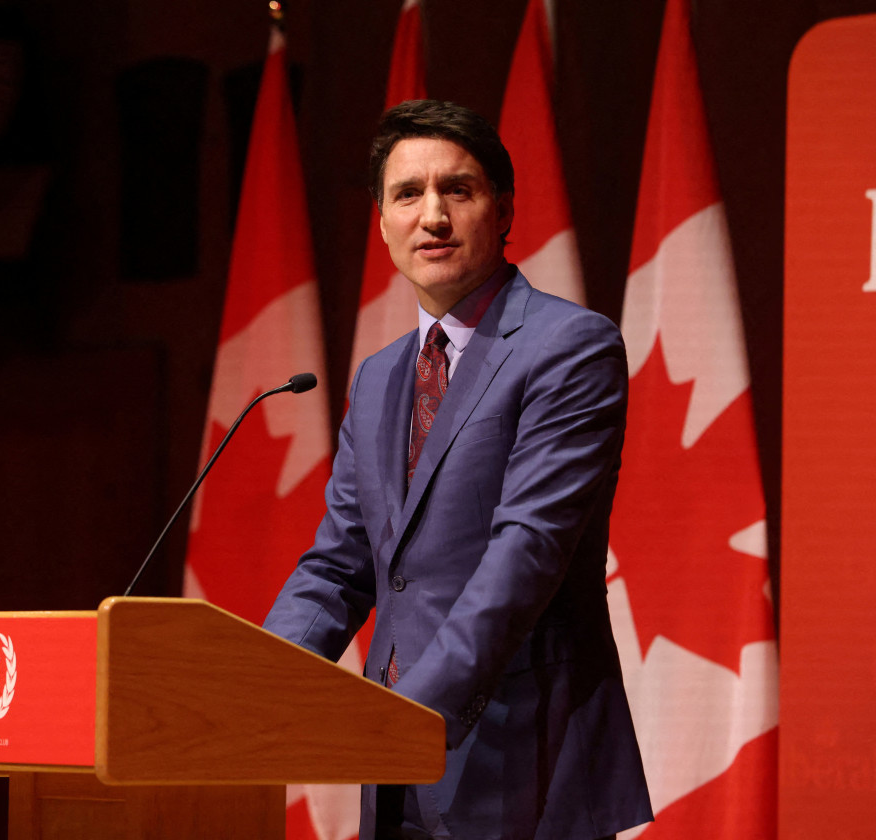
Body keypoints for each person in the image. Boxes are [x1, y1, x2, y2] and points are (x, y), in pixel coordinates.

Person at [263, 99, 652, 840]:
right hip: (396, 775)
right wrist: (251, 687)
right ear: (381, 222)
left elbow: (525, 553)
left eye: (458, 191)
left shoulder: (570, 347)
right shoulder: (379, 378)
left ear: (503, 210)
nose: (432, 216)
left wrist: (406, 721)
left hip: (527, 762)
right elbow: (339, 565)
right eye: (408, 195)